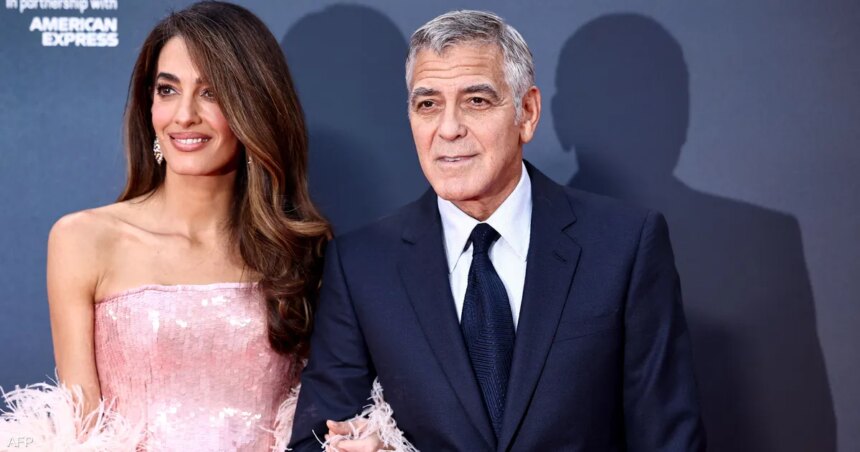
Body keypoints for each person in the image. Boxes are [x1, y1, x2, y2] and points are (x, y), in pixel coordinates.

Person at [290, 10, 706, 451]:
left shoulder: (624, 244)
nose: (449, 129)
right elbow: (315, 440)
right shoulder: (362, 266)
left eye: (476, 101)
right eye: (428, 104)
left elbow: (669, 440)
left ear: (527, 112)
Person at [0, 2, 330, 450]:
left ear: (253, 107)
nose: (184, 115)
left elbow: (319, 418)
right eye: (168, 89)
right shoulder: (84, 239)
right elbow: (80, 427)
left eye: (211, 92)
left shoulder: (301, 248)